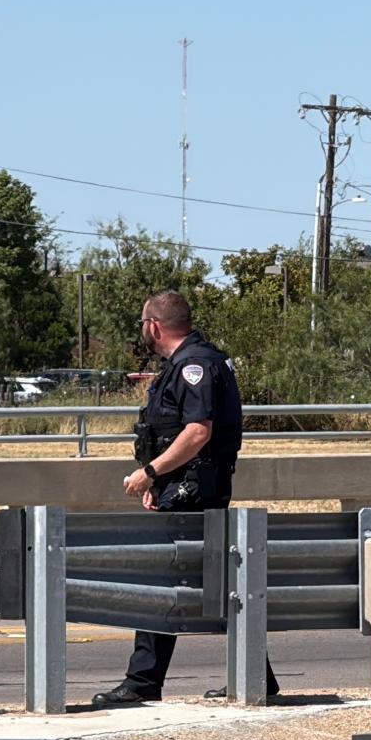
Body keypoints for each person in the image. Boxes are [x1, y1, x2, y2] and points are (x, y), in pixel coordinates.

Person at [92, 290, 280, 706]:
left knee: (163, 581)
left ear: (154, 325)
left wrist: (150, 473)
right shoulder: (185, 364)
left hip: (193, 490)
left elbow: (198, 432)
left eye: (143, 323)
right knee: (220, 582)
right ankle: (257, 677)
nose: (142, 330)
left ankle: (142, 683)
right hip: (184, 489)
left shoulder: (195, 365)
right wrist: (160, 485)